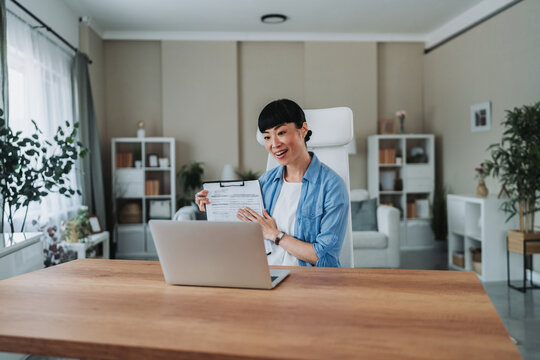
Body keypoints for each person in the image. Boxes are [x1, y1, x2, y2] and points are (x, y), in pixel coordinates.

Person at [195, 99, 349, 267]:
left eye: (281, 133)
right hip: (265, 275)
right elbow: (241, 229)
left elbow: (323, 257)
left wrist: (276, 235)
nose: (274, 144)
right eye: (267, 137)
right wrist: (213, 205)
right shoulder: (265, 182)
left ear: (303, 129)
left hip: (307, 282)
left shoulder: (332, 186)